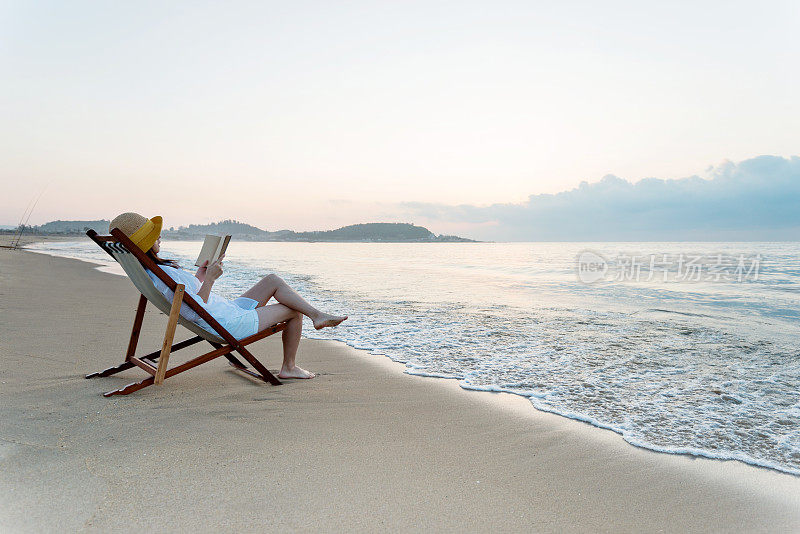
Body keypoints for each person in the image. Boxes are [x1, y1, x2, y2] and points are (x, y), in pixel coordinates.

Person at [109, 212, 347, 379]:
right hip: (226, 323)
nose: (160, 238)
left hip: (224, 311)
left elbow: (187, 297)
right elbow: (192, 310)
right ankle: (289, 366)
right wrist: (210, 279)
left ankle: (317, 315)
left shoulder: (154, 272)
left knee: (272, 280)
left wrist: (201, 275)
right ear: (145, 244)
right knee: (294, 311)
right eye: (155, 236)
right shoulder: (161, 274)